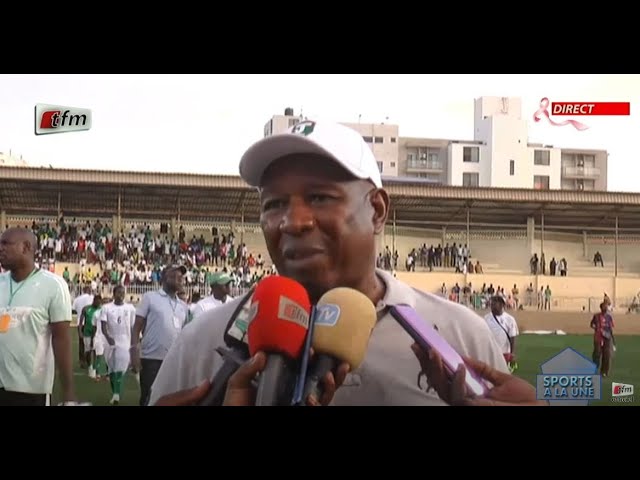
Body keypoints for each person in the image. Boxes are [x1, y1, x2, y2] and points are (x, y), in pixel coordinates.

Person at [148, 120, 508, 407]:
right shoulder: (203, 340)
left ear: (377, 210)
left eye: (319, 197)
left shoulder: (460, 337)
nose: (292, 221)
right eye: (273, 204)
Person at [0, 227, 77, 406]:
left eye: (6, 244)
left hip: (31, 390)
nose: (1, 248)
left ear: (26, 247)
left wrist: (68, 392)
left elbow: (62, 340)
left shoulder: (53, 286)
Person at [131, 265, 189, 406]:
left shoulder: (183, 306)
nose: (180, 280)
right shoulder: (150, 297)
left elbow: (184, 333)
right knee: (149, 398)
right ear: (165, 278)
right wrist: (134, 352)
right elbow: (137, 326)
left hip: (174, 360)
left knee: (170, 399)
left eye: (182, 277)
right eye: (176, 276)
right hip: (151, 359)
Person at [100, 285, 136, 405]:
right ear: (113, 294)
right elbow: (103, 326)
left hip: (124, 342)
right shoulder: (106, 308)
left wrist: (134, 344)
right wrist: (108, 338)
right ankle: (115, 391)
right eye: (118, 293)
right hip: (109, 341)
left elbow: (132, 327)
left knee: (120, 367)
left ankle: (116, 394)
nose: (121, 295)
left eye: (122, 293)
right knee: (111, 369)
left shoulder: (130, 308)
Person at [483, 295, 519, 372]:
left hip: (505, 353)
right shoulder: (487, 318)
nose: (492, 307)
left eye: (494, 305)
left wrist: (512, 353)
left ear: (502, 305)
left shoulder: (510, 319)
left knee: (506, 373)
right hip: (492, 352)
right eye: (491, 305)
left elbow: (513, 337)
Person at [79, 294, 103, 379]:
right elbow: (81, 321)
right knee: (88, 351)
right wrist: (80, 332)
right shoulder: (86, 309)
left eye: (100, 302)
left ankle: (96, 369)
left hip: (97, 334)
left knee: (96, 351)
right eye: (97, 301)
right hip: (87, 332)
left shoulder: (101, 310)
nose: (99, 303)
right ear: (94, 300)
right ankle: (90, 366)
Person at [590, 302, 615, 377]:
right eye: (604, 307)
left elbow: (610, 329)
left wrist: (613, 340)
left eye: (606, 307)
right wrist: (596, 328)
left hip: (607, 338)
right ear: (601, 308)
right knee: (597, 354)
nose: (606, 308)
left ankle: (604, 371)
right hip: (598, 337)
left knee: (606, 355)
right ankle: (595, 369)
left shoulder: (609, 317)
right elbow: (592, 324)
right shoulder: (596, 316)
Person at [73, 286, 94, 368]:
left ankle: (82, 360)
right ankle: (89, 360)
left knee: (81, 342)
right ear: (89, 291)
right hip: (90, 322)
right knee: (91, 342)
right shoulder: (92, 298)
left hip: (80, 323)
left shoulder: (77, 299)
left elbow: (74, 309)